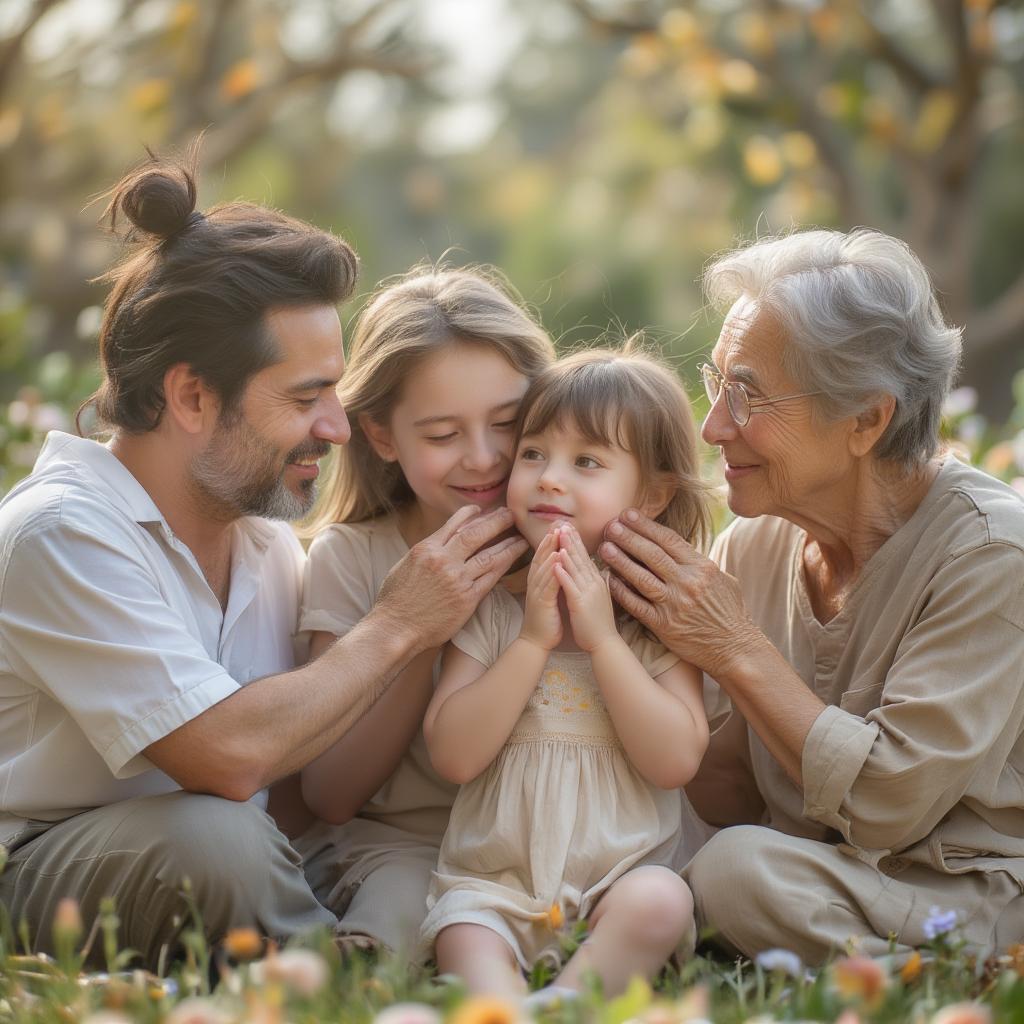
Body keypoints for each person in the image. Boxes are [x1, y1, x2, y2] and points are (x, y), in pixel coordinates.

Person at [0, 148, 528, 966]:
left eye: (337, 394)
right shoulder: (62, 534)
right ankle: (335, 989)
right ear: (191, 396)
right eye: (305, 397)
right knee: (221, 843)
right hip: (45, 861)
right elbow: (231, 755)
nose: (338, 429)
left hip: (230, 846)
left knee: (301, 849)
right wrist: (399, 625)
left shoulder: (266, 542)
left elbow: (299, 791)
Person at [596, 228, 1024, 964]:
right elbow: (725, 792)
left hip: (957, 891)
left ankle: (967, 968)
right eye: (716, 381)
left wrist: (733, 649)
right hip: (821, 875)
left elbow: (890, 801)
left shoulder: (992, 553)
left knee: (732, 876)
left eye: (747, 395)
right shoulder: (753, 546)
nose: (712, 426)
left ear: (867, 419)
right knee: (674, 860)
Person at [419, 347, 713, 1003]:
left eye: (586, 462)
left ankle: (565, 1005)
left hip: (621, 885)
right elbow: (453, 754)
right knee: (464, 933)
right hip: (494, 886)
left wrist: (604, 640)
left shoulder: (657, 622)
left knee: (663, 901)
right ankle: (504, 1007)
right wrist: (531, 640)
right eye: (533, 454)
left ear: (655, 493)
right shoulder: (493, 610)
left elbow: (675, 761)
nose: (550, 479)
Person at [291, 264, 556, 958]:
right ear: (381, 437)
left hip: (560, 840)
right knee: (403, 915)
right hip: (408, 844)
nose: (485, 457)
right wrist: (419, 628)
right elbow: (330, 792)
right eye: (442, 435)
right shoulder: (352, 558)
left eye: (508, 422)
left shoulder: (577, 542)